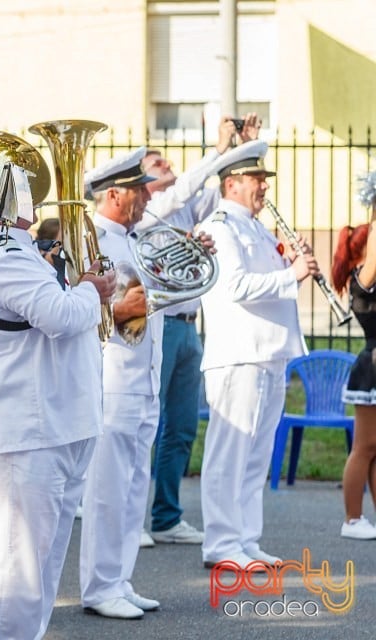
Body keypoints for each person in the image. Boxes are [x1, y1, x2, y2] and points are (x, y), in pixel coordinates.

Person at [0, 172, 116, 637]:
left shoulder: (23, 249)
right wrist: (92, 287)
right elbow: (60, 315)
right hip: (30, 426)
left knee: (41, 565)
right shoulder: (4, 250)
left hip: (56, 421)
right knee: (21, 567)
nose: (37, 195)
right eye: (26, 187)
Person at [137, 113, 262, 546]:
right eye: (160, 166)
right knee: (145, 425)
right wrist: (217, 149)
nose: (169, 169)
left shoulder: (191, 205)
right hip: (159, 325)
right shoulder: (151, 209)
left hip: (190, 327)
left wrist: (243, 147)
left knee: (182, 427)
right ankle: (131, 519)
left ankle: (166, 516)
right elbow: (191, 182)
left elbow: (234, 194)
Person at [196, 140, 315, 568]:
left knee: (256, 454)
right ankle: (221, 545)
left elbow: (269, 282)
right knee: (229, 454)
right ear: (233, 183)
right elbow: (233, 287)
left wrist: (292, 266)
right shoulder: (220, 226)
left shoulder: (258, 228)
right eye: (257, 180)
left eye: (264, 180)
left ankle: (245, 539)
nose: (264, 187)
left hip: (268, 352)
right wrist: (292, 276)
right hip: (238, 353)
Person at [77, 147, 163, 620]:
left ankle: (120, 578)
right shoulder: (90, 240)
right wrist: (117, 311)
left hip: (143, 376)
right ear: (114, 194)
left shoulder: (135, 239)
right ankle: (99, 585)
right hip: (112, 377)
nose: (147, 196)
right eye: (139, 189)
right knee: (109, 488)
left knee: (133, 486)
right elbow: (71, 309)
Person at [330, 184, 376, 540]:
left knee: (375, 449)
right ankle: (352, 519)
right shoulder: (363, 280)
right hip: (371, 368)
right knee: (364, 447)